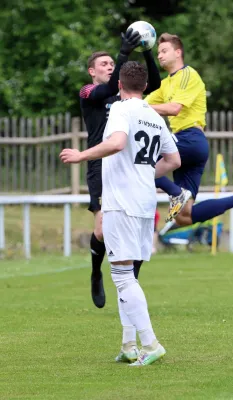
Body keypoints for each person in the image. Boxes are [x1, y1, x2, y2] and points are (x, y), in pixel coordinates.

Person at [60, 61, 180, 366]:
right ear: (143, 86)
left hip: (121, 202)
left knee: (123, 277)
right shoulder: (154, 114)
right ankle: (129, 345)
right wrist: (147, 173)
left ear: (119, 85)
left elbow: (116, 143)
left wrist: (81, 155)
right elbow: (174, 159)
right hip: (143, 203)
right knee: (128, 275)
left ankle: (150, 344)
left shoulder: (121, 110)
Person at [145, 33, 233, 226]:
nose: (159, 55)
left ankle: (178, 194)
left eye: (164, 51)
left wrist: (139, 108)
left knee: (141, 165)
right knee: (184, 217)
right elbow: (142, 103)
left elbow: (174, 108)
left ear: (178, 52)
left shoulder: (187, 74)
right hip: (186, 147)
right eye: (158, 52)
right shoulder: (165, 84)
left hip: (189, 140)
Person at [79, 29, 161, 309]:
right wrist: (123, 53)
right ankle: (95, 272)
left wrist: (147, 50)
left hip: (127, 169)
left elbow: (154, 84)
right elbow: (107, 90)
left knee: (134, 228)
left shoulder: (122, 94)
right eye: (104, 64)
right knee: (101, 230)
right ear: (92, 71)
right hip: (99, 166)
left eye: (112, 64)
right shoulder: (90, 91)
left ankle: (131, 282)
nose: (110, 66)